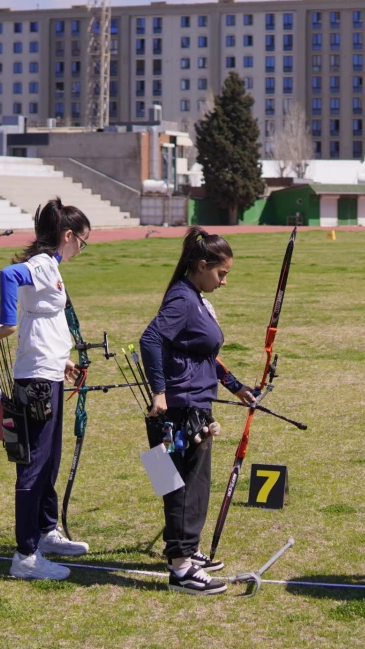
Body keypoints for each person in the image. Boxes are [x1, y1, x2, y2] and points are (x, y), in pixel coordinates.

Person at [140, 228, 257, 595]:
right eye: (221, 274)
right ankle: (181, 569)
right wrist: (159, 392)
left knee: (188, 484)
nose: (224, 282)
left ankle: (185, 550)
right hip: (178, 409)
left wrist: (235, 385)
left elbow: (204, 351)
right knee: (180, 487)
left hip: (190, 405)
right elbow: (150, 339)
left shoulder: (193, 296)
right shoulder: (183, 298)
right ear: (201, 265)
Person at [0, 198, 93, 581]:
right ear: (67, 236)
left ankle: (46, 532)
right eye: (81, 242)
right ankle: (26, 555)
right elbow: (7, 275)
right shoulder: (43, 266)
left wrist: (60, 358)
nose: (80, 249)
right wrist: (8, 323)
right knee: (33, 465)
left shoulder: (51, 269)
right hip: (35, 381)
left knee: (49, 459)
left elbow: (44, 321)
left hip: (47, 373)